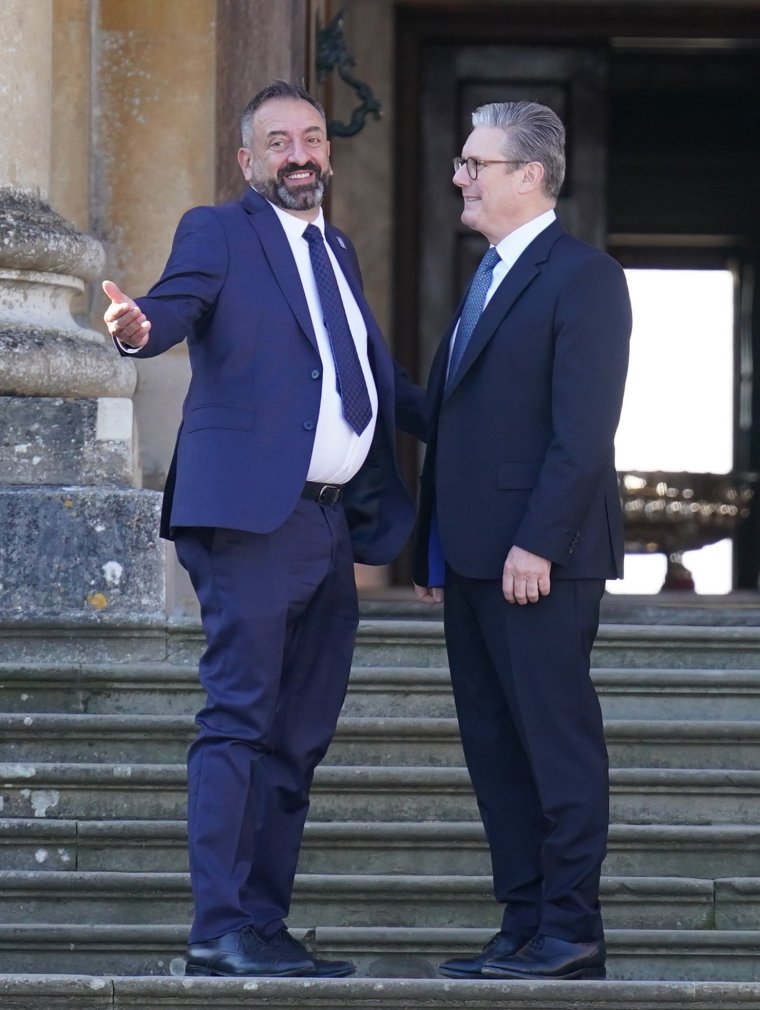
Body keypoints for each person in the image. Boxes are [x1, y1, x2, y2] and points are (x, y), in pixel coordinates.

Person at [103, 80, 424, 979]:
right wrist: (136, 330)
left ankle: (263, 923)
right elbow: (173, 304)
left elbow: (375, 377)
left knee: (300, 733)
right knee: (240, 719)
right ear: (249, 161)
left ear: (329, 152)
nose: (300, 153)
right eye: (278, 141)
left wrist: (477, 410)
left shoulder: (340, 250)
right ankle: (218, 927)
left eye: (313, 137)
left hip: (326, 524)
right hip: (249, 517)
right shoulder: (222, 230)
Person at [413, 100, 631, 981]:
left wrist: (537, 543)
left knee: (555, 745)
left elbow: (583, 434)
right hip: (471, 559)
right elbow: (453, 418)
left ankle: (571, 931)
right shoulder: (489, 276)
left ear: (530, 175)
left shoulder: (585, 278)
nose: (460, 176)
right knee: (497, 754)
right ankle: (523, 926)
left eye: (476, 163)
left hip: (542, 561)